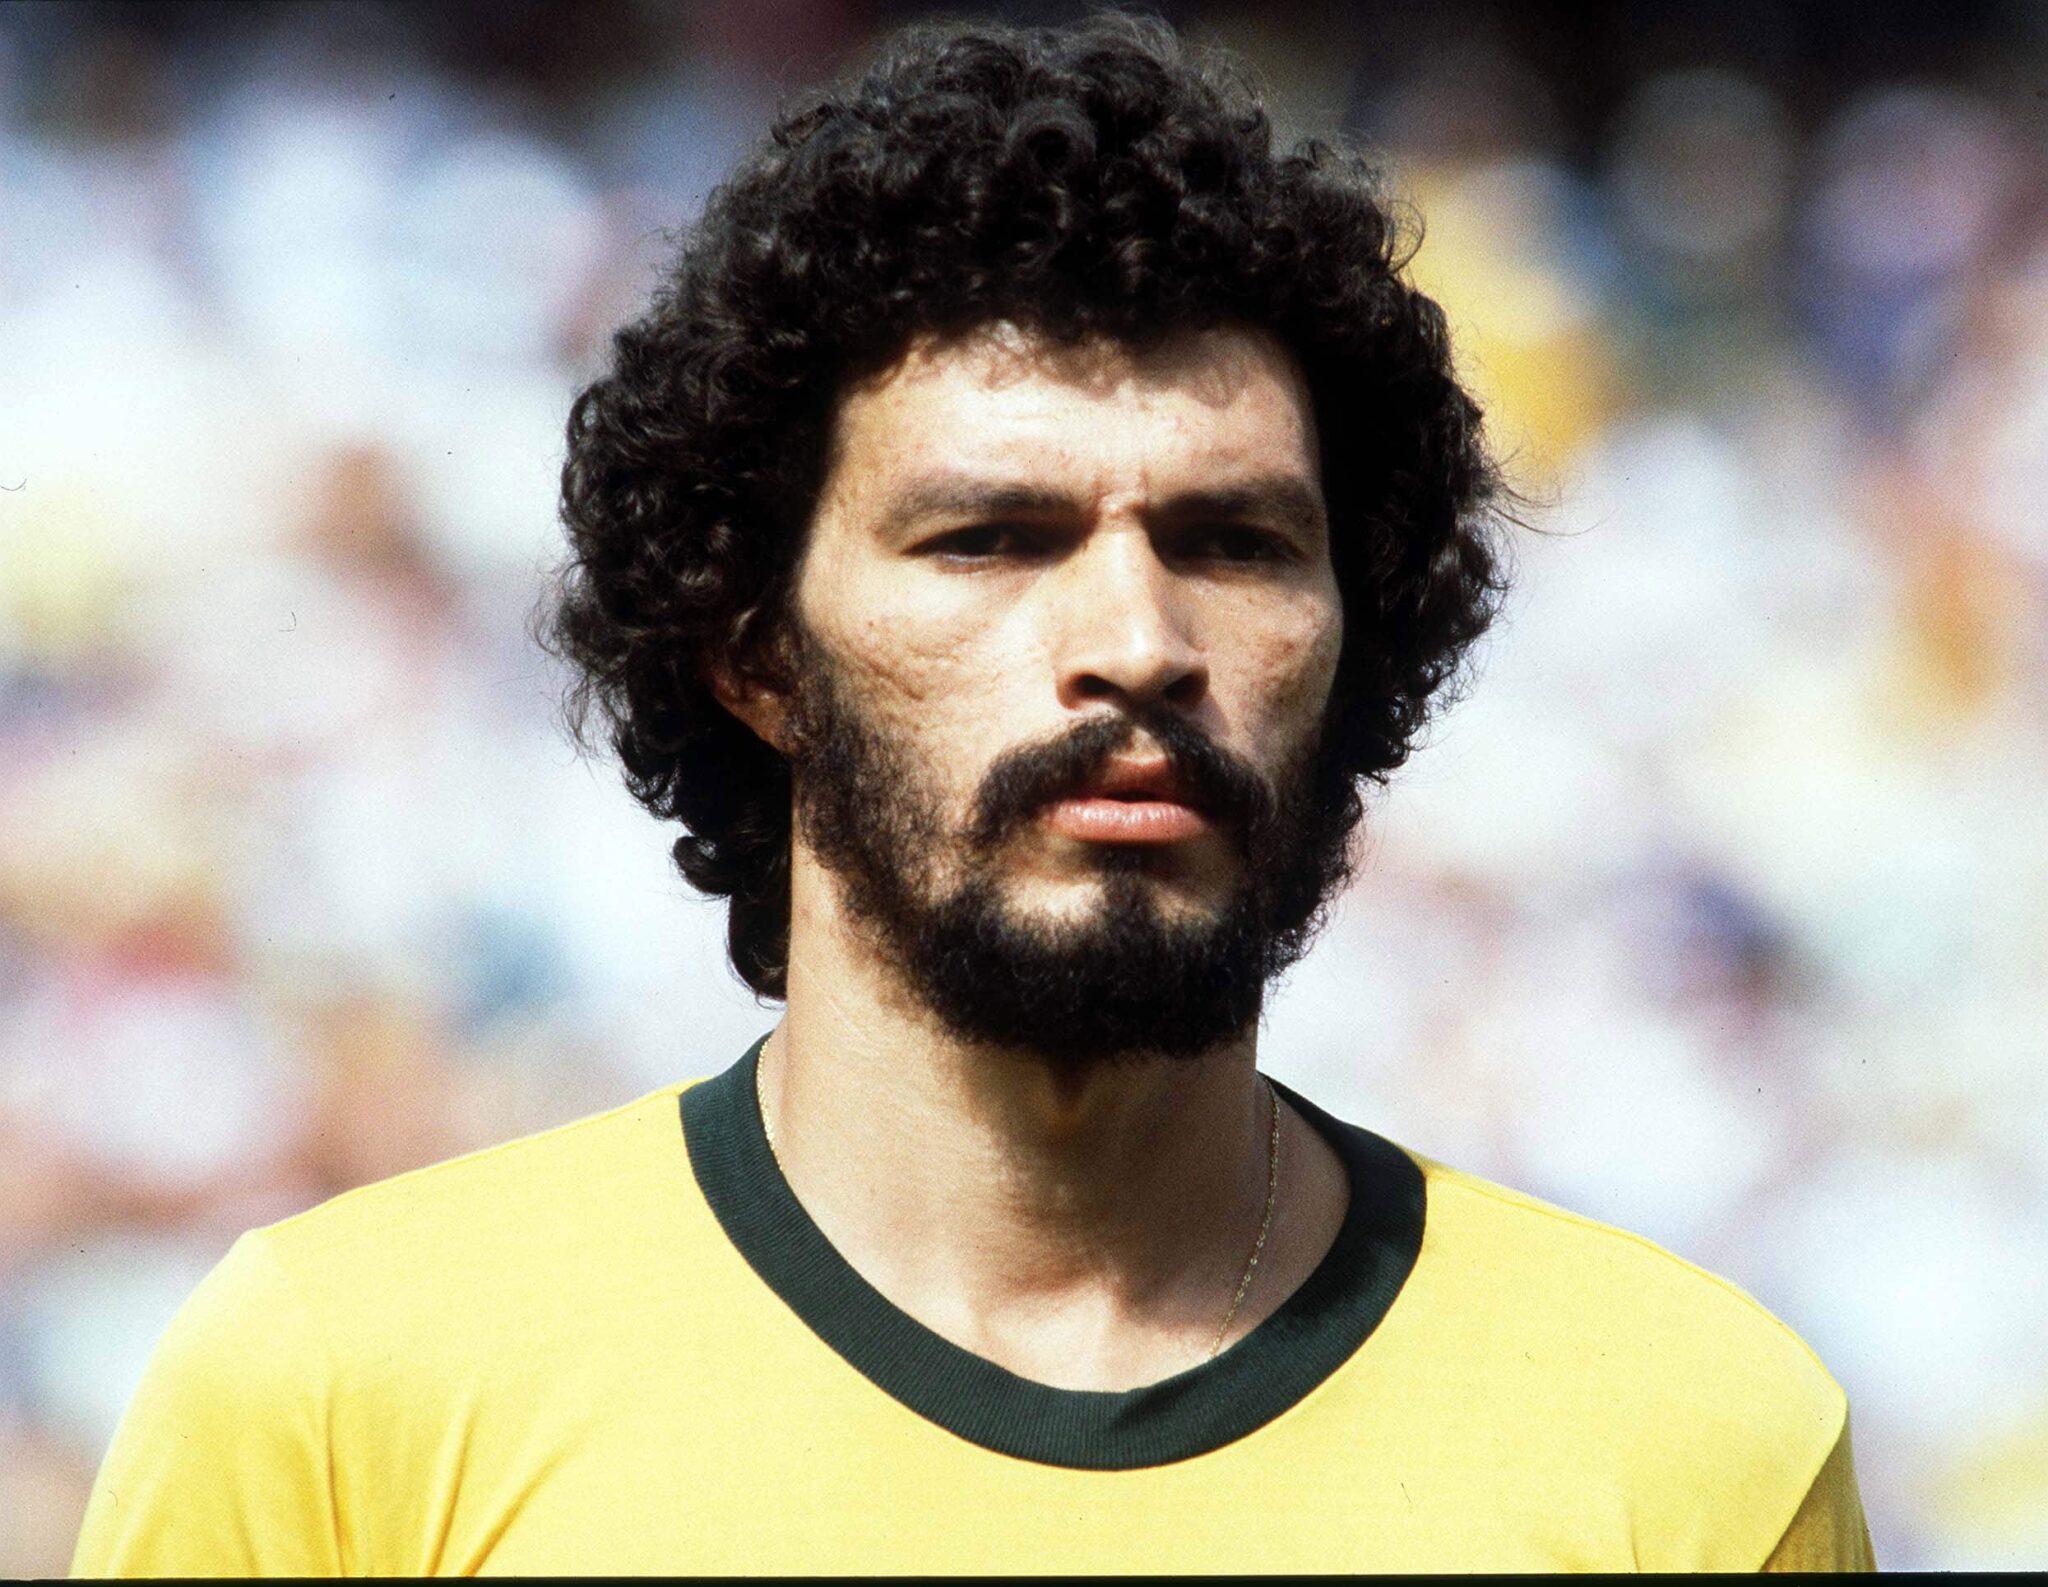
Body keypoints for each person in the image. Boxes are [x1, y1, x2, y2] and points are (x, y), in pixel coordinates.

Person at [73, 16, 1874, 1574]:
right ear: (755, 648)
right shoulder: (340, 1396)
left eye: (1236, 541)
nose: (1139, 643)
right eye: (993, 538)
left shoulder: (1691, 1439)